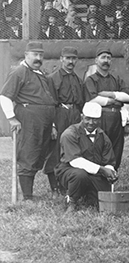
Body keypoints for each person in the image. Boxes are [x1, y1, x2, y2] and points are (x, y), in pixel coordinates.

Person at [0, 42, 57, 200]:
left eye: (41, 55)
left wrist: (52, 124)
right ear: (26, 55)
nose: (38, 58)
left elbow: (47, 100)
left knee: (41, 154)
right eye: (35, 55)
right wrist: (12, 119)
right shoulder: (19, 72)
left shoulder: (41, 73)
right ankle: (27, 196)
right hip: (28, 120)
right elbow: (5, 96)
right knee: (28, 154)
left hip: (44, 121)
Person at [55, 102, 117, 212]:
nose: (91, 123)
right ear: (82, 117)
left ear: (100, 119)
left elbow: (108, 160)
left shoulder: (103, 136)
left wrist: (110, 171)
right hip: (70, 170)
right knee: (80, 175)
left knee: (101, 199)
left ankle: (87, 195)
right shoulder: (70, 134)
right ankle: (72, 200)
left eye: (95, 119)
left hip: (95, 173)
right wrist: (102, 170)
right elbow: (75, 161)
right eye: (88, 118)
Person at [43, 47, 85, 195]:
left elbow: (81, 102)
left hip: (75, 115)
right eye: (67, 58)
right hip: (59, 113)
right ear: (61, 59)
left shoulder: (78, 79)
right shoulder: (52, 78)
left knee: (73, 148)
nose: (70, 61)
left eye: (73, 58)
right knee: (56, 150)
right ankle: (54, 187)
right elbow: (50, 103)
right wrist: (53, 125)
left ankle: (68, 183)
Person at [83, 47, 129, 169]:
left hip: (116, 118)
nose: (106, 60)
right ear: (96, 60)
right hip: (101, 118)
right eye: (103, 57)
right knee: (100, 147)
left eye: (109, 58)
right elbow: (92, 98)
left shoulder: (116, 79)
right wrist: (113, 101)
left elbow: (127, 97)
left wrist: (110, 94)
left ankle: (112, 177)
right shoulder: (91, 79)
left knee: (116, 148)